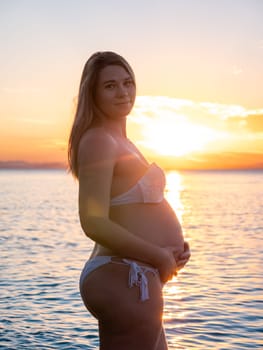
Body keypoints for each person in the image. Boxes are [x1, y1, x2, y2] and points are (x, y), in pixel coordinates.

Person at [68, 51, 191, 350]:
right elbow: (93, 221)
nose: (123, 92)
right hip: (122, 276)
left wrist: (170, 252)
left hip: (136, 277)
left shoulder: (123, 142)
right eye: (110, 86)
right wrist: (158, 255)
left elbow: (134, 213)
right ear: (93, 93)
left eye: (127, 82)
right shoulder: (98, 140)